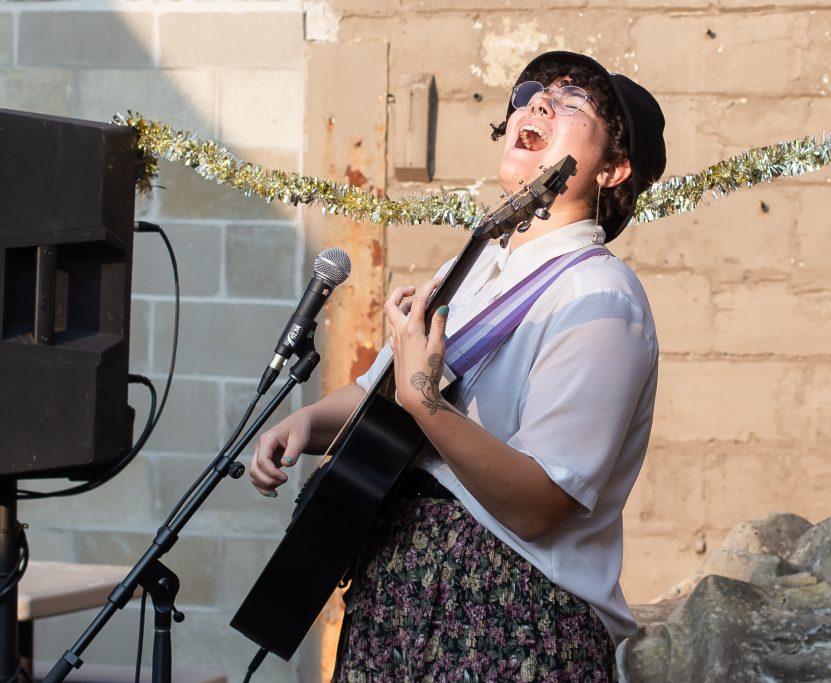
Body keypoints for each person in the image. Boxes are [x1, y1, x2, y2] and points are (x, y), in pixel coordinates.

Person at [250, 50, 667, 681]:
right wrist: (307, 422)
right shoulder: (467, 269)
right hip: (399, 591)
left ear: (613, 169)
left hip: (514, 611)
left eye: (574, 101)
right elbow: (379, 400)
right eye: (531, 93)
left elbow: (540, 504)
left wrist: (426, 402)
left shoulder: (600, 297)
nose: (538, 103)